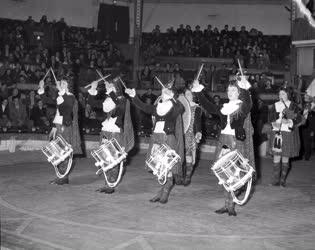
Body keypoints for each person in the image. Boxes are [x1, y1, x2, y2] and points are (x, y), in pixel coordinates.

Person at [191, 77, 255, 216]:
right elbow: (208, 105)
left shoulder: (242, 107)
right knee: (224, 175)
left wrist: (244, 87)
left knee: (236, 175)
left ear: (238, 93)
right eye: (229, 90)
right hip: (223, 141)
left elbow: (249, 103)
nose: (230, 92)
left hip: (236, 142)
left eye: (233, 90)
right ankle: (227, 204)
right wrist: (198, 91)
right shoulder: (223, 107)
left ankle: (231, 203)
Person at [125, 85, 185, 204]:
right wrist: (134, 96)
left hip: (168, 139)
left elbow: (181, 108)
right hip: (156, 139)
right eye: (163, 91)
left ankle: (166, 191)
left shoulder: (174, 107)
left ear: (172, 94)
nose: (164, 93)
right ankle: (161, 191)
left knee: (167, 167)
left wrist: (173, 98)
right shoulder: (158, 106)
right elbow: (144, 107)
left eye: (167, 92)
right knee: (158, 167)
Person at [87, 77, 134, 194]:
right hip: (105, 131)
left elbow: (120, 108)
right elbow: (92, 103)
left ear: (117, 88)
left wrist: (111, 92)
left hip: (115, 132)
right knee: (104, 157)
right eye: (109, 86)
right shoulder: (108, 99)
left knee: (113, 158)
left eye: (113, 87)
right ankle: (107, 182)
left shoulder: (122, 100)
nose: (109, 88)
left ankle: (111, 184)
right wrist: (93, 88)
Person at [38, 76, 82, 185]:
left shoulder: (71, 97)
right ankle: (61, 175)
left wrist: (61, 94)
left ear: (68, 86)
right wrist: (42, 89)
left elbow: (66, 108)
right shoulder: (62, 96)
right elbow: (48, 101)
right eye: (60, 83)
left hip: (65, 127)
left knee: (63, 152)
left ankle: (63, 176)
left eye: (63, 84)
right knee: (57, 152)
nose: (60, 85)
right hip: (58, 125)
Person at [269, 87, 302, 187]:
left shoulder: (293, 106)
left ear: (288, 94)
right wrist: (276, 123)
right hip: (277, 134)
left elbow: (299, 119)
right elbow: (270, 119)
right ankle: (275, 180)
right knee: (276, 156)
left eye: (283, 94)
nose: (281, 96)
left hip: (288, 134)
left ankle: (282, 180)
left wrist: (289, 121)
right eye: (279, 94)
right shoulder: (274, 105)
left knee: (285, 157)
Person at [182, 89, 202, 186]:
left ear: (193, 96)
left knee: (188, 155)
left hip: (190, 135)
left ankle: (188, 176)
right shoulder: (180, 106)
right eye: (185, 94)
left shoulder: (196, 108)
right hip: (180, 134)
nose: (187, 96)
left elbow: (198, 122)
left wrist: (198, 131)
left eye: (189, 94)